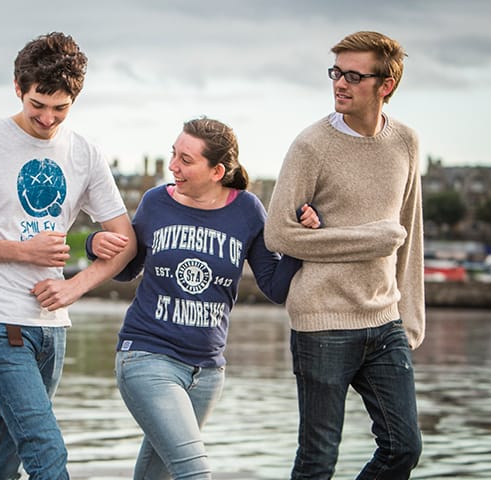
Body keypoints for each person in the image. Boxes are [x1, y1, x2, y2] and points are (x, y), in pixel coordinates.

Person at [0, 32, 136, 479]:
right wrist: (23, 251)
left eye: (60, 108)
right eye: (37, 104)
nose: (47, 118)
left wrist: (74, 285)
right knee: (47, 452)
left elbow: (124, 240)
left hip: (52, 329)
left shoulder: (85, 153)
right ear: (18, 88)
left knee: (3, 462)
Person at [87, 117, 320, 479]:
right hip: (147, 357)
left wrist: (300, 239)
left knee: (158, 473)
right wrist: (93, 244)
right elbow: (125, 270)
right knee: (195, 473)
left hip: (207, 372)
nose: (173, 166)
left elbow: (274, 288)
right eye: (173, 154)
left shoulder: (248, 211)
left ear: (218, 171)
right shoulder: (155, 203)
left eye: (186, 160)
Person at [264, 31, 426, 479]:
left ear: (385, 85)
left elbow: (409, 234)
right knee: (318, 460)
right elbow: (279, 234)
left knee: (403, 448)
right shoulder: (310, 145)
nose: (340, 83)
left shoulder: (406, 143)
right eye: (336, 72)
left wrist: (411, 320)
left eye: (354, 75)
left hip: (385, 321)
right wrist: (370, 239)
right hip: (322, 319)